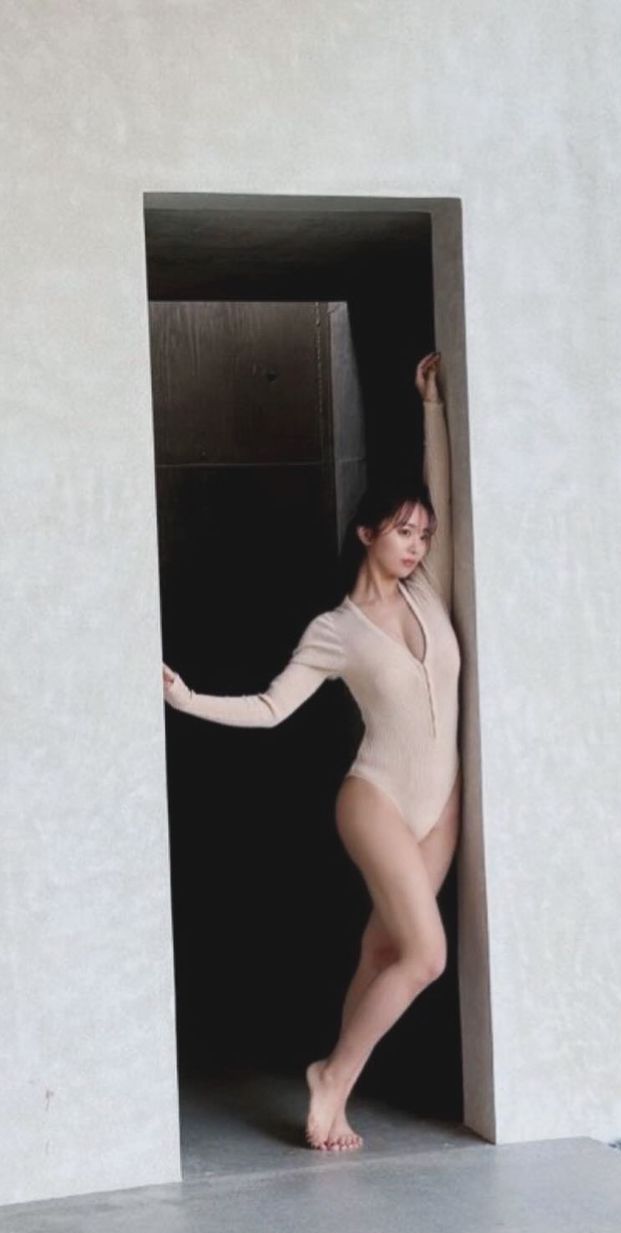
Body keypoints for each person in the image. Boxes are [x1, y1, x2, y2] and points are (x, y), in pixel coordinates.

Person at [162, 353, 461, 1152]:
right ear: (367, 533)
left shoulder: (431, 590)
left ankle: (333, 1104)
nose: (416, 544)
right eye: (402, 532)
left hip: (442, 805)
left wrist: (430, 407)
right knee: (424, 955)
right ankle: (330, 1075)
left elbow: (443, 496)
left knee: (383, 948)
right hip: (376, 801)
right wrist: (187, 699)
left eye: (423, 534)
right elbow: (270, 708)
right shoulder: (336, 630)